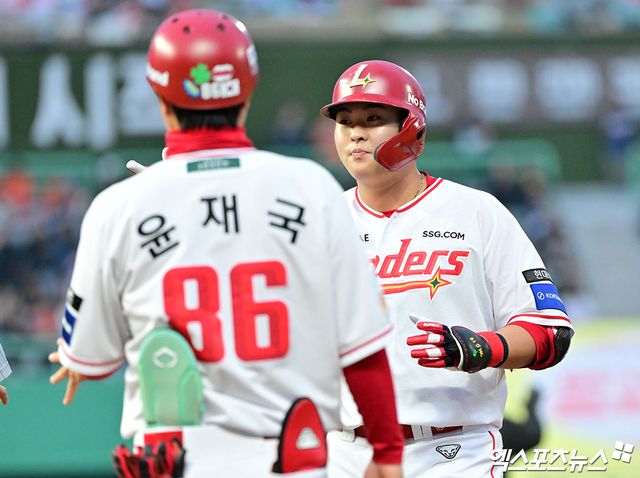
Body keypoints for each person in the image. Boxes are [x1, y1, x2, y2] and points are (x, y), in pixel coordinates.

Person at [48, 12, 404, 478]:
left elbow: (91, 361)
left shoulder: (120, 205)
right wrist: (388, 452)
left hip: (178, 458)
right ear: (247, 89)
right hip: (291, 456)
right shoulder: (310, 186)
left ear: (159, 95)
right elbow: (362, 350)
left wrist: (75, 360)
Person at [320, 60, 574, 478]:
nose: (355, 133)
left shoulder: (477, 212)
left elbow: (551, 332)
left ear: (411, 129)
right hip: (345, 450)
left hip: (455, 451)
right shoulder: (320, 220)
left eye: (373, 119)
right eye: (344, 121)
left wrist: (481, 348)